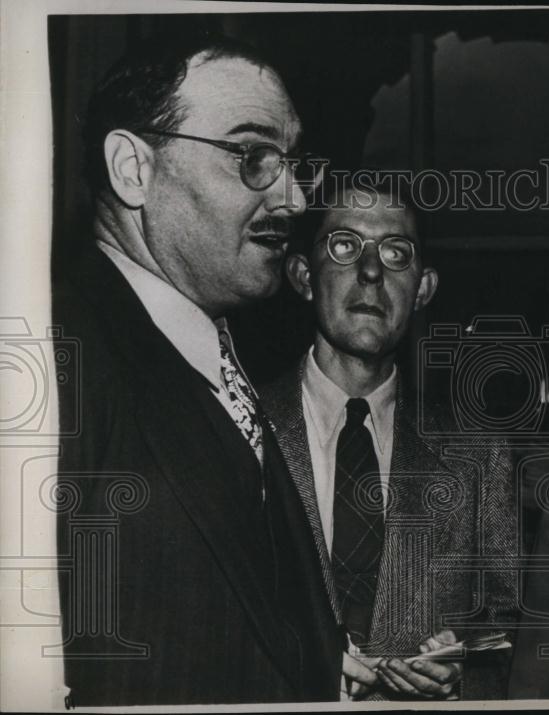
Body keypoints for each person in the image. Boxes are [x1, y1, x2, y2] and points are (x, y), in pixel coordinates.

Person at [53, 35, 357, 704]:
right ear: (133, 168)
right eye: (251, 156)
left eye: (292, 162)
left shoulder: (209, 347)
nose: (295, 201)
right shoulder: (56, 355)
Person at [259, 180, 517, 700]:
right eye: (345, 245)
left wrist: (463, 666)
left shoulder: (478, 452)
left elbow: (508, 633)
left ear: (422, 289)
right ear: (304, 276)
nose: (372, 271)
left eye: (396, 252)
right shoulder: (242, 425)